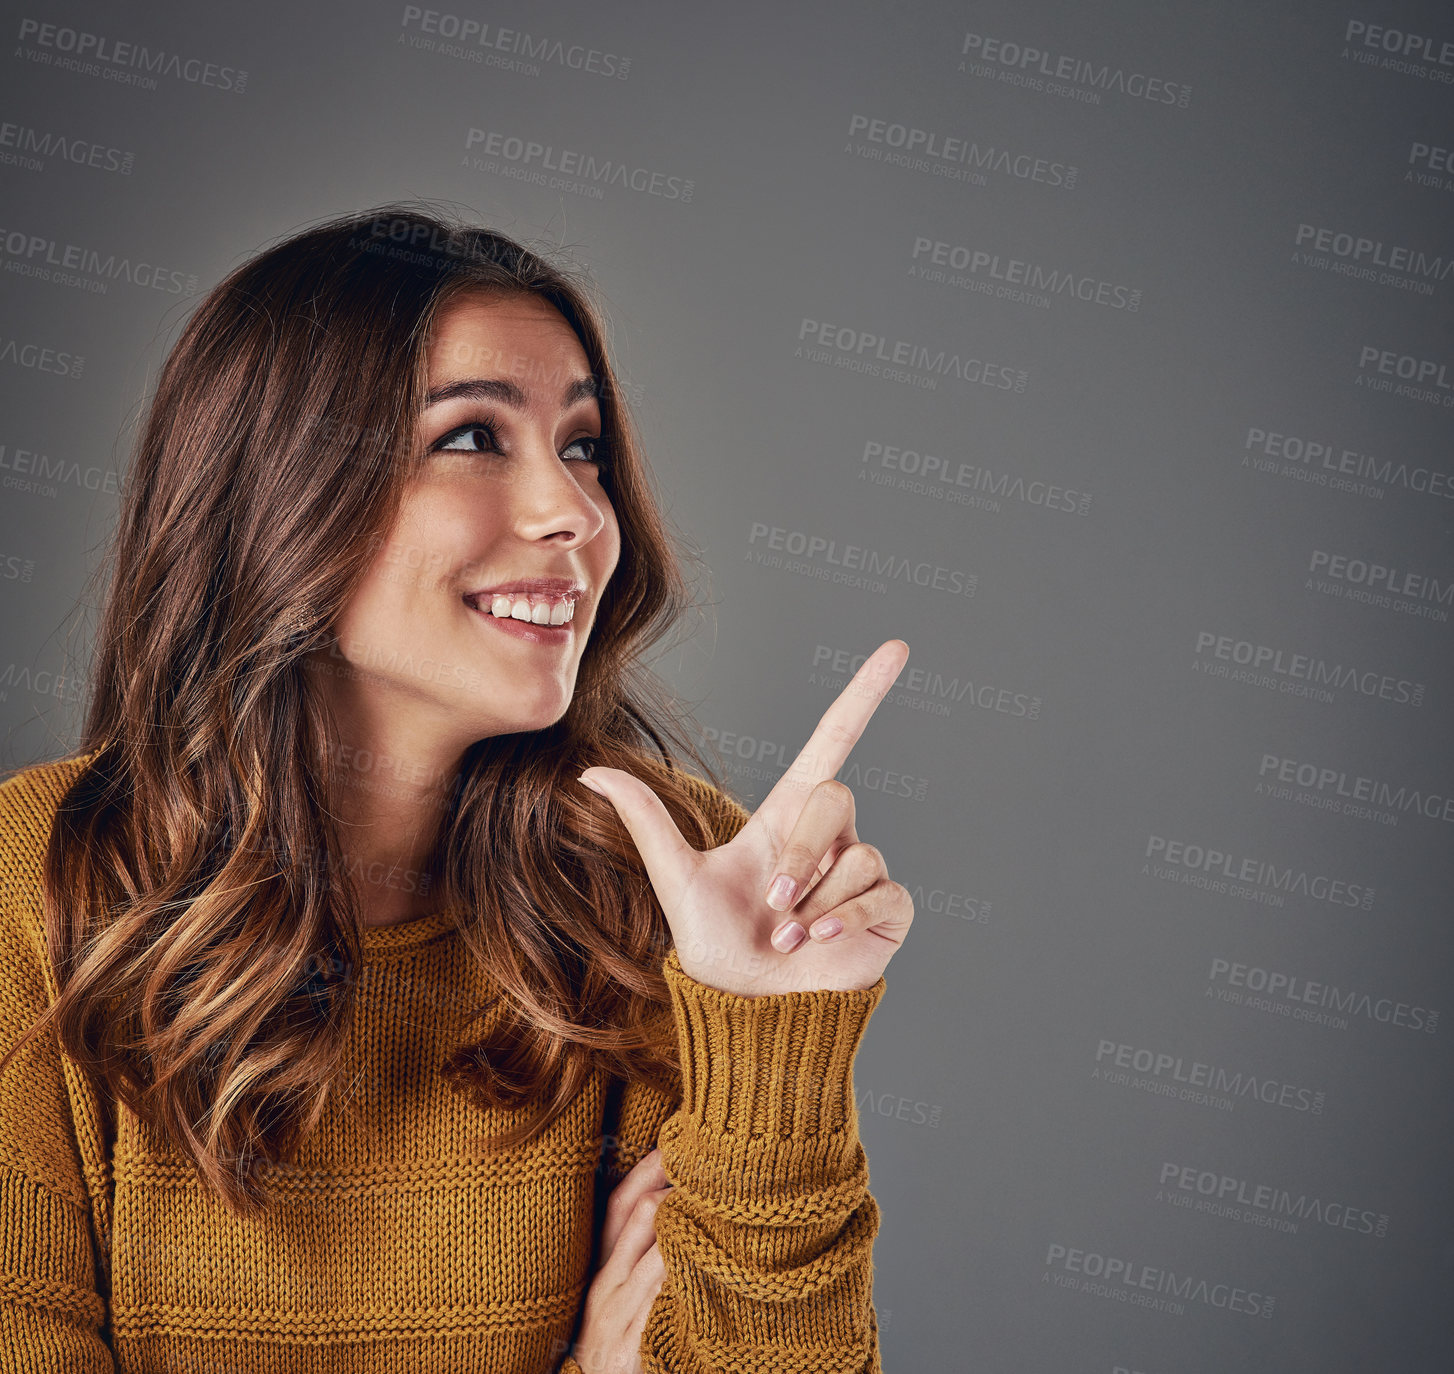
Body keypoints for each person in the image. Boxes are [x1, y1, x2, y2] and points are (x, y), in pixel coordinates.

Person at [0, 203, 915, 1373]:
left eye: (581, 446)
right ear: (278, 493)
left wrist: (769, 1036)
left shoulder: (664, 889)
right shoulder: (41, 877)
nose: (577, 513)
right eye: (472, 439)